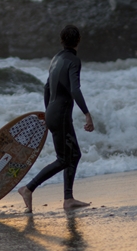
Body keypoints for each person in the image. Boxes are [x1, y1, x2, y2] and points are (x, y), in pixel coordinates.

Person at [18, 24, 94, 212]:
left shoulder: (56, 59)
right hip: (60, 115)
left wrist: (47, 112)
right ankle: (28, 188)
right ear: (79, 40)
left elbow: (46, 88)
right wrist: (86, 113)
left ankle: (68, 198)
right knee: (63, 159)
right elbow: (75, 89)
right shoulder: (73, 60)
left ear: (61, 40)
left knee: (74, 154)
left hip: (53, 112)